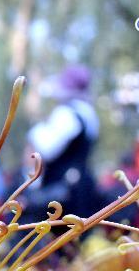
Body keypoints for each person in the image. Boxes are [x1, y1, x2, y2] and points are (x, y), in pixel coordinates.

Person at [23, 65, 101, 227]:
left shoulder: (67, 114)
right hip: (80, 189)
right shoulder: (89, 114)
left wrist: (36, 131)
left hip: (61, 194)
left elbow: (47, 148)